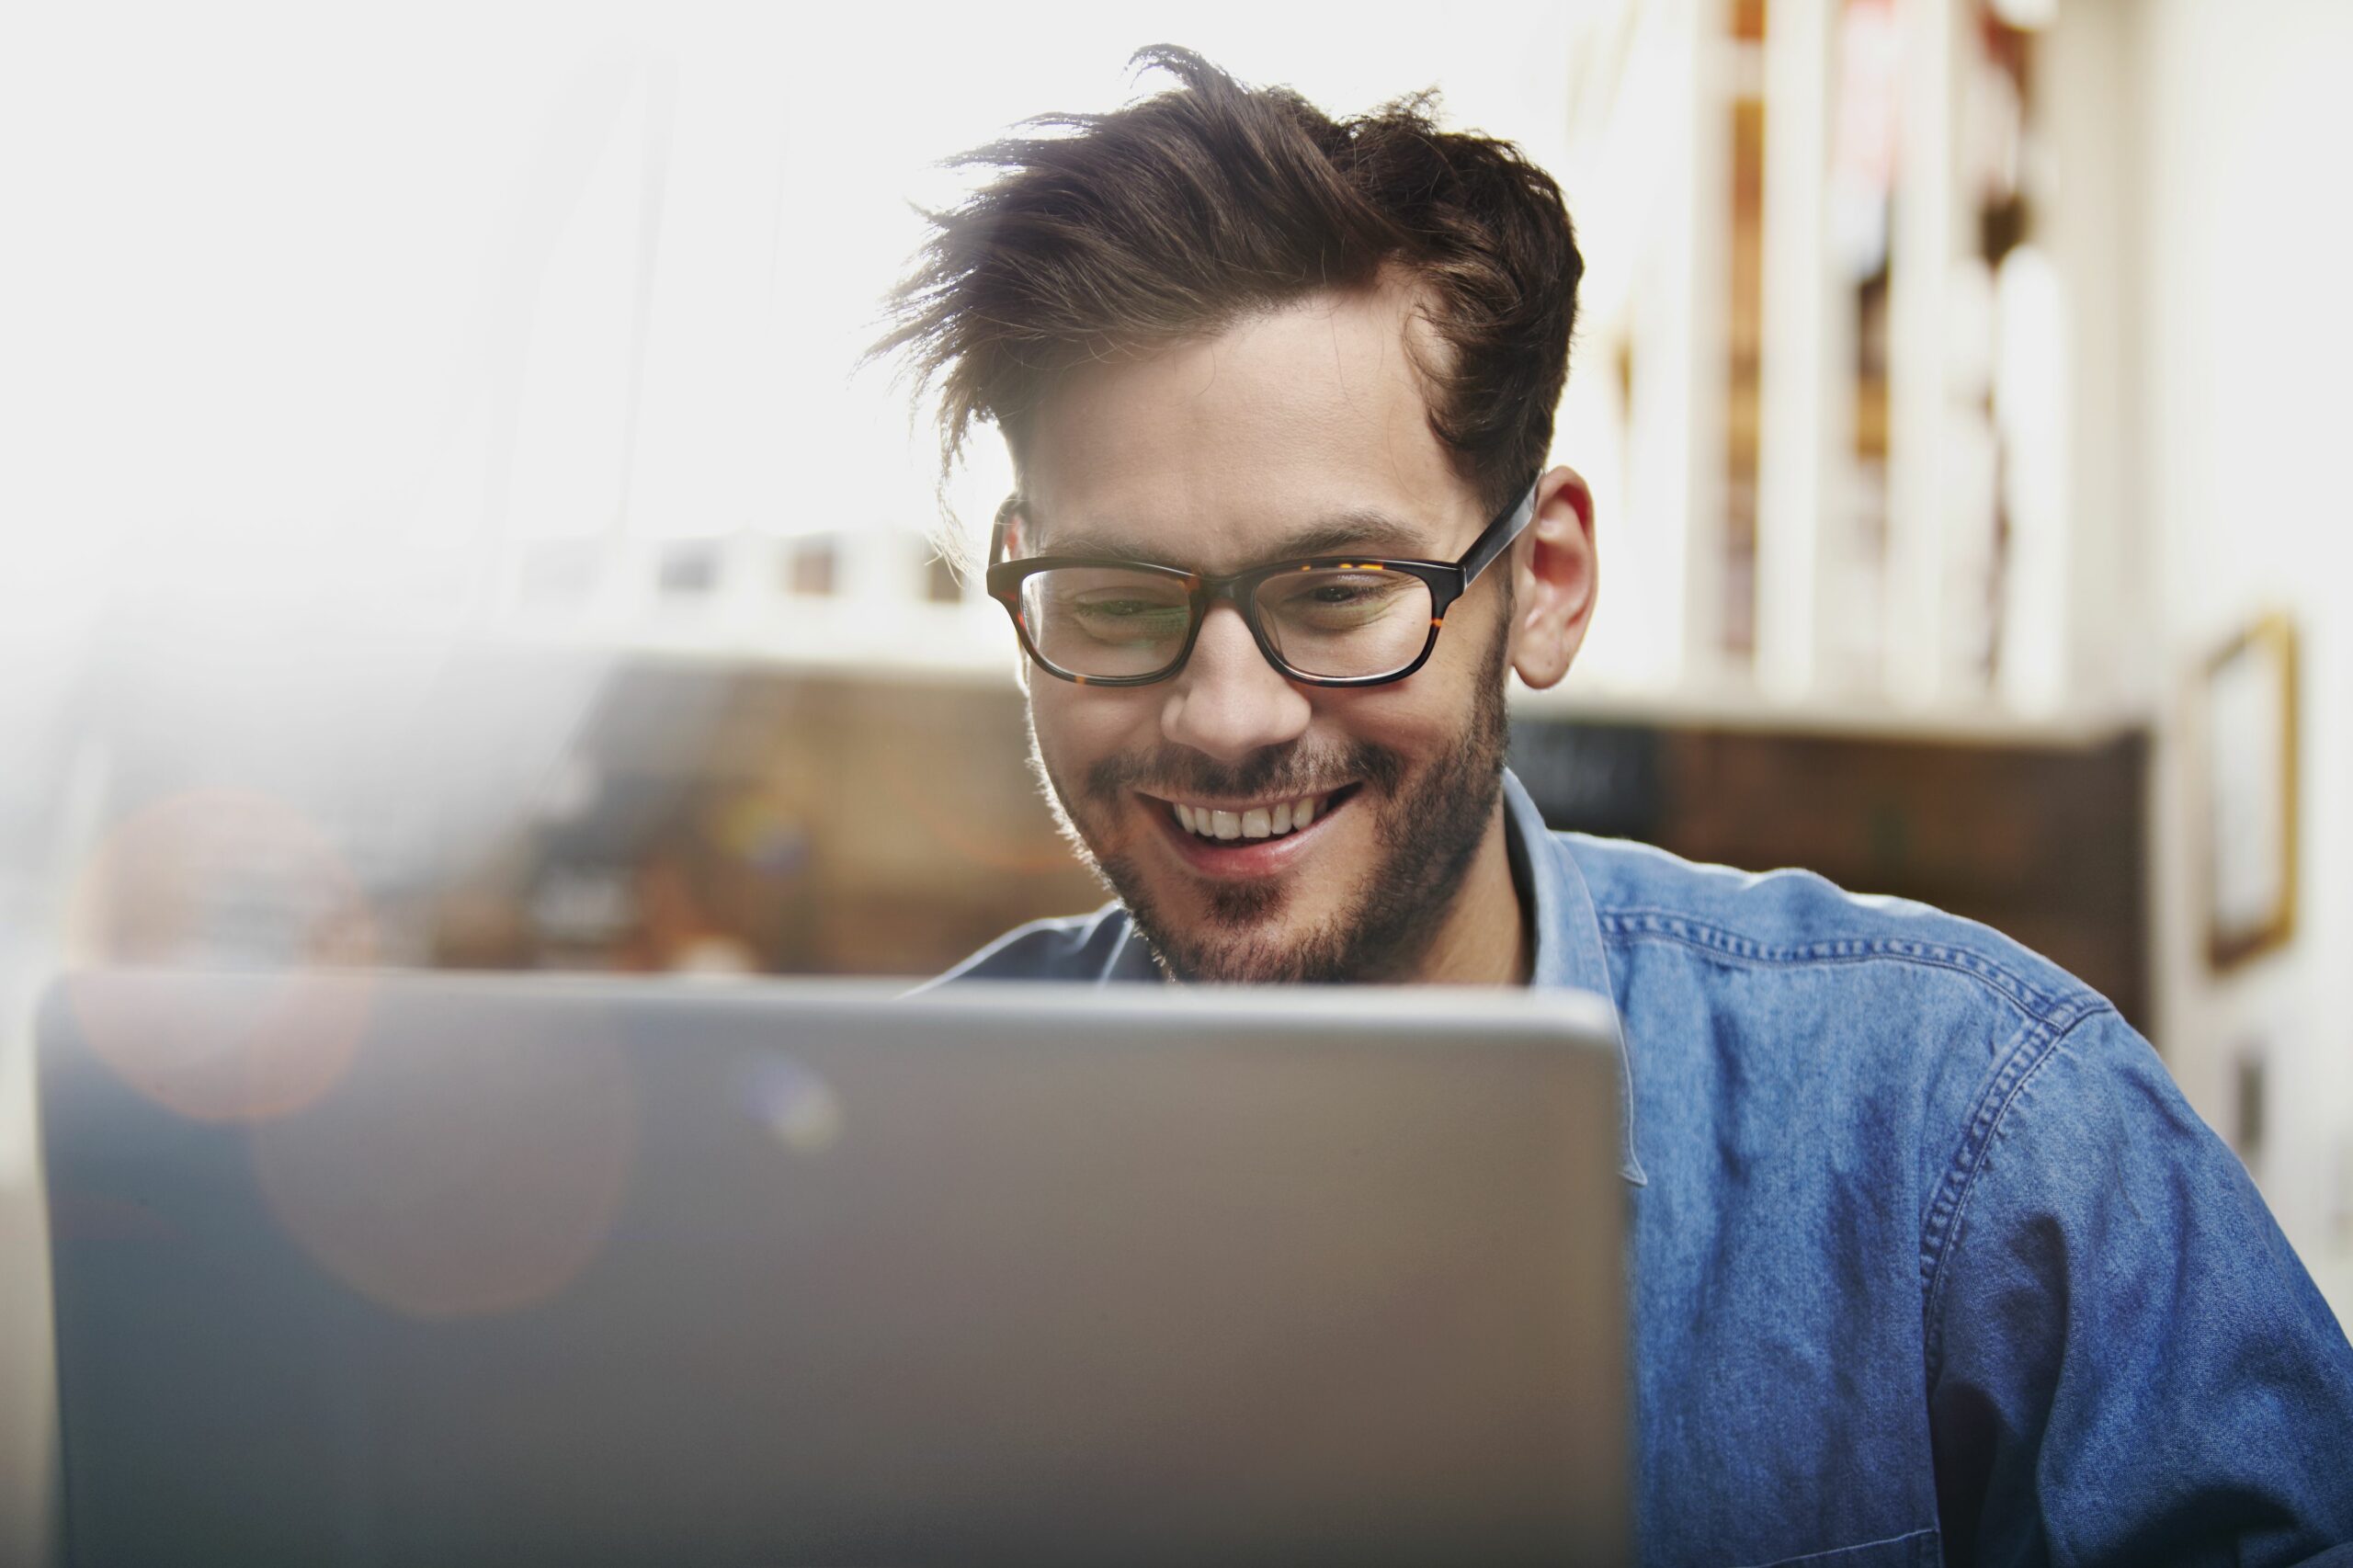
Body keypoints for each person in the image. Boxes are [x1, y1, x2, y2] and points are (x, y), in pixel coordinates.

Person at [874, 46, 2353, 1565]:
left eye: (1340, 587)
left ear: (1547, 583)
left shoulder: (1970, 1130)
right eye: (1119, 599)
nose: (1230, 714)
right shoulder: (877, 1183)